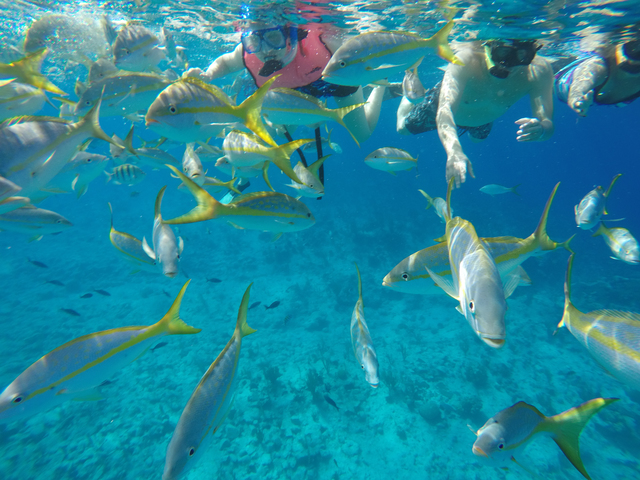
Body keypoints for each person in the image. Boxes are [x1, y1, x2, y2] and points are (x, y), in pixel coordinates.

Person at [183, 20, 386, 146]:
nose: (265, 49)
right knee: (279, 135)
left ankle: (379, 88)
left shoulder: (324, 42)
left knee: (362, 135)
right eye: (255, 42)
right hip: (288, 98)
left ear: (290, 35)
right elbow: (226, 63)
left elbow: (359, 52)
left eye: (273, 37)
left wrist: (371, 75)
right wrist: (208, 76)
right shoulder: (247, 55)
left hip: (336, 82)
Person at [397, 39, 555, 187]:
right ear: (488, 47)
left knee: (477, 140)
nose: (510, 65)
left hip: (483, 120)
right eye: (503, 54)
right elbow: (445, 111)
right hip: (442, 108)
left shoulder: (539, 71)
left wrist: (541, 130)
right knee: (402, 129)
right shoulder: (466, 60)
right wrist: (454, 151)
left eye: (522, 56)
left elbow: (547, 123)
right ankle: (409, 97)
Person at [555, 39, 640, 117]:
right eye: (633, 46)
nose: (636, 60)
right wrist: (577, 101)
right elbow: (577, 89)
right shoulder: (597, 67)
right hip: (555, 73)